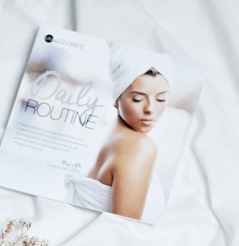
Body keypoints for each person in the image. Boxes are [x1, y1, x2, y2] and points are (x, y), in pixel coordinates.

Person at [64, 45, 172, 223]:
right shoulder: (139, 146)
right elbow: (123, 230)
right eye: (138, 99)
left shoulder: (113, 136)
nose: (150, 109)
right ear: (116, 99)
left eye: (161, 98)